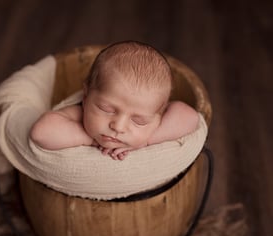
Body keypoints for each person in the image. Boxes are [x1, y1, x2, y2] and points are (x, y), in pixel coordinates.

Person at [30, 41, 199, 160]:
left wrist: (146, 141)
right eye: (106, 109)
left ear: (159, 115)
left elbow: (191, 117)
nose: (118, 127)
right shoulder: (79, 113)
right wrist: (91, 140)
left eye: (138, 121)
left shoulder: (158, 119)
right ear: (86, 95)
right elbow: (41, 132)